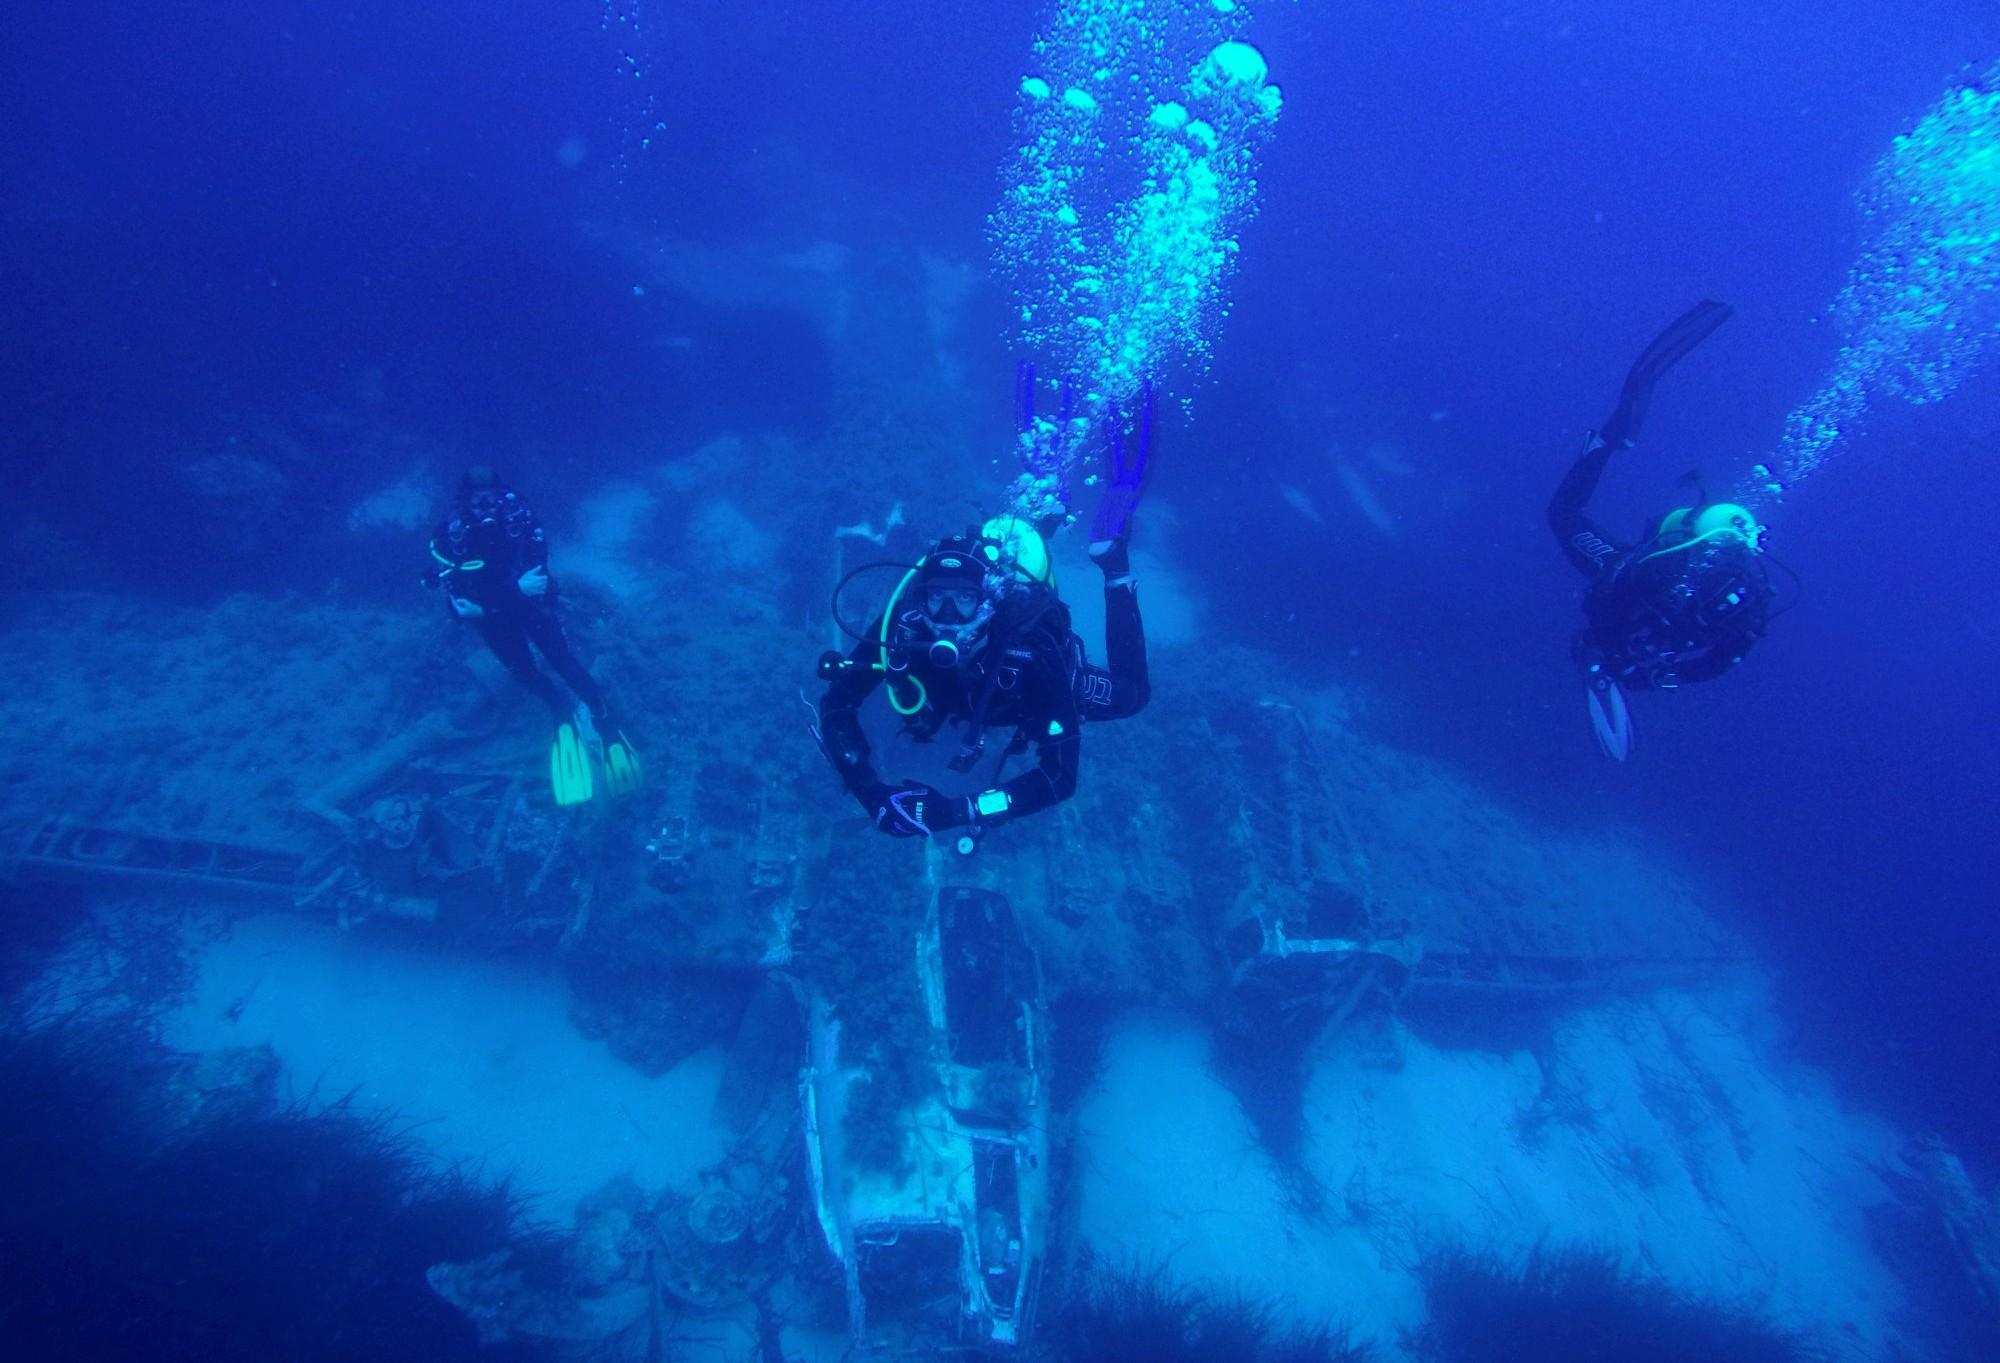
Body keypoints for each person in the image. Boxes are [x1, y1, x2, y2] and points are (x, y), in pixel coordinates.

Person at [814, 390, 1155, 842]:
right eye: (936, 599)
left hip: (1028, 683)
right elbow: (838, 702)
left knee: (1133, 697)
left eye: (964, 600)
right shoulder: (904, 626)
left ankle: (1112, 563)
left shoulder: (1030, 647)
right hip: (976, 700)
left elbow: (1058, 778)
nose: (948, 615)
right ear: (920, 597)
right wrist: (871, 793)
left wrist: (960, 810)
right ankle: (1045, 498)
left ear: (989, 600)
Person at [1549, 301, 1774, 761]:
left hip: (1627, 584)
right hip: (1639, 613)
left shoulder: (1672, 565)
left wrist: (1608, 652)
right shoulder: (1747, 598)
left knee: (1564, 513)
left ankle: (1606, 442)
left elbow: (1612, 580)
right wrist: (1655, 675)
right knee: (1571, 524)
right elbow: (1726, 657)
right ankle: (1609, 441)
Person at [427, 465, 640, 804]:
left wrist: (492, 603)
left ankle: (603, 716)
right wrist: (512, 593)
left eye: (490, 499)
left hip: (525, 609)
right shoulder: (450, 537)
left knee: (564, 662)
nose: (485, 507)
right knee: (525, 673)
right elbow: (459, 609)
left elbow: (539, 581)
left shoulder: (518, 517)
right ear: (464, 502)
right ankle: (560, 710)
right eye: (477, 501)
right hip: (499, 619)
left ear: (500, 497)